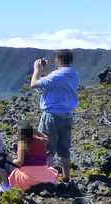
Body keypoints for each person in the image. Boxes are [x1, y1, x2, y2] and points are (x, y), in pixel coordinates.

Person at [30, 49, 81, 180]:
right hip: (67, 115)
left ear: (58, 59)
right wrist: (44, 72)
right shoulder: (74, 74)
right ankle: (66, 176)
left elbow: (34, 84)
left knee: (47, 148)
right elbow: (53, 83)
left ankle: (47, 178)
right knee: (64, 148)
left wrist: (37, 69)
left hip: (52, 116)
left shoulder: (56, 76)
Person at [7, 122, 59, 191]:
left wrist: (11, 160)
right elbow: (46, 138)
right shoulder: (40, 140)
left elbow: (20, 162)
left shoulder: (22, 143)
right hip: (44, 175)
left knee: (7, 162)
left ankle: (5, 184)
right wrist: (35, 131)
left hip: (28, 179)